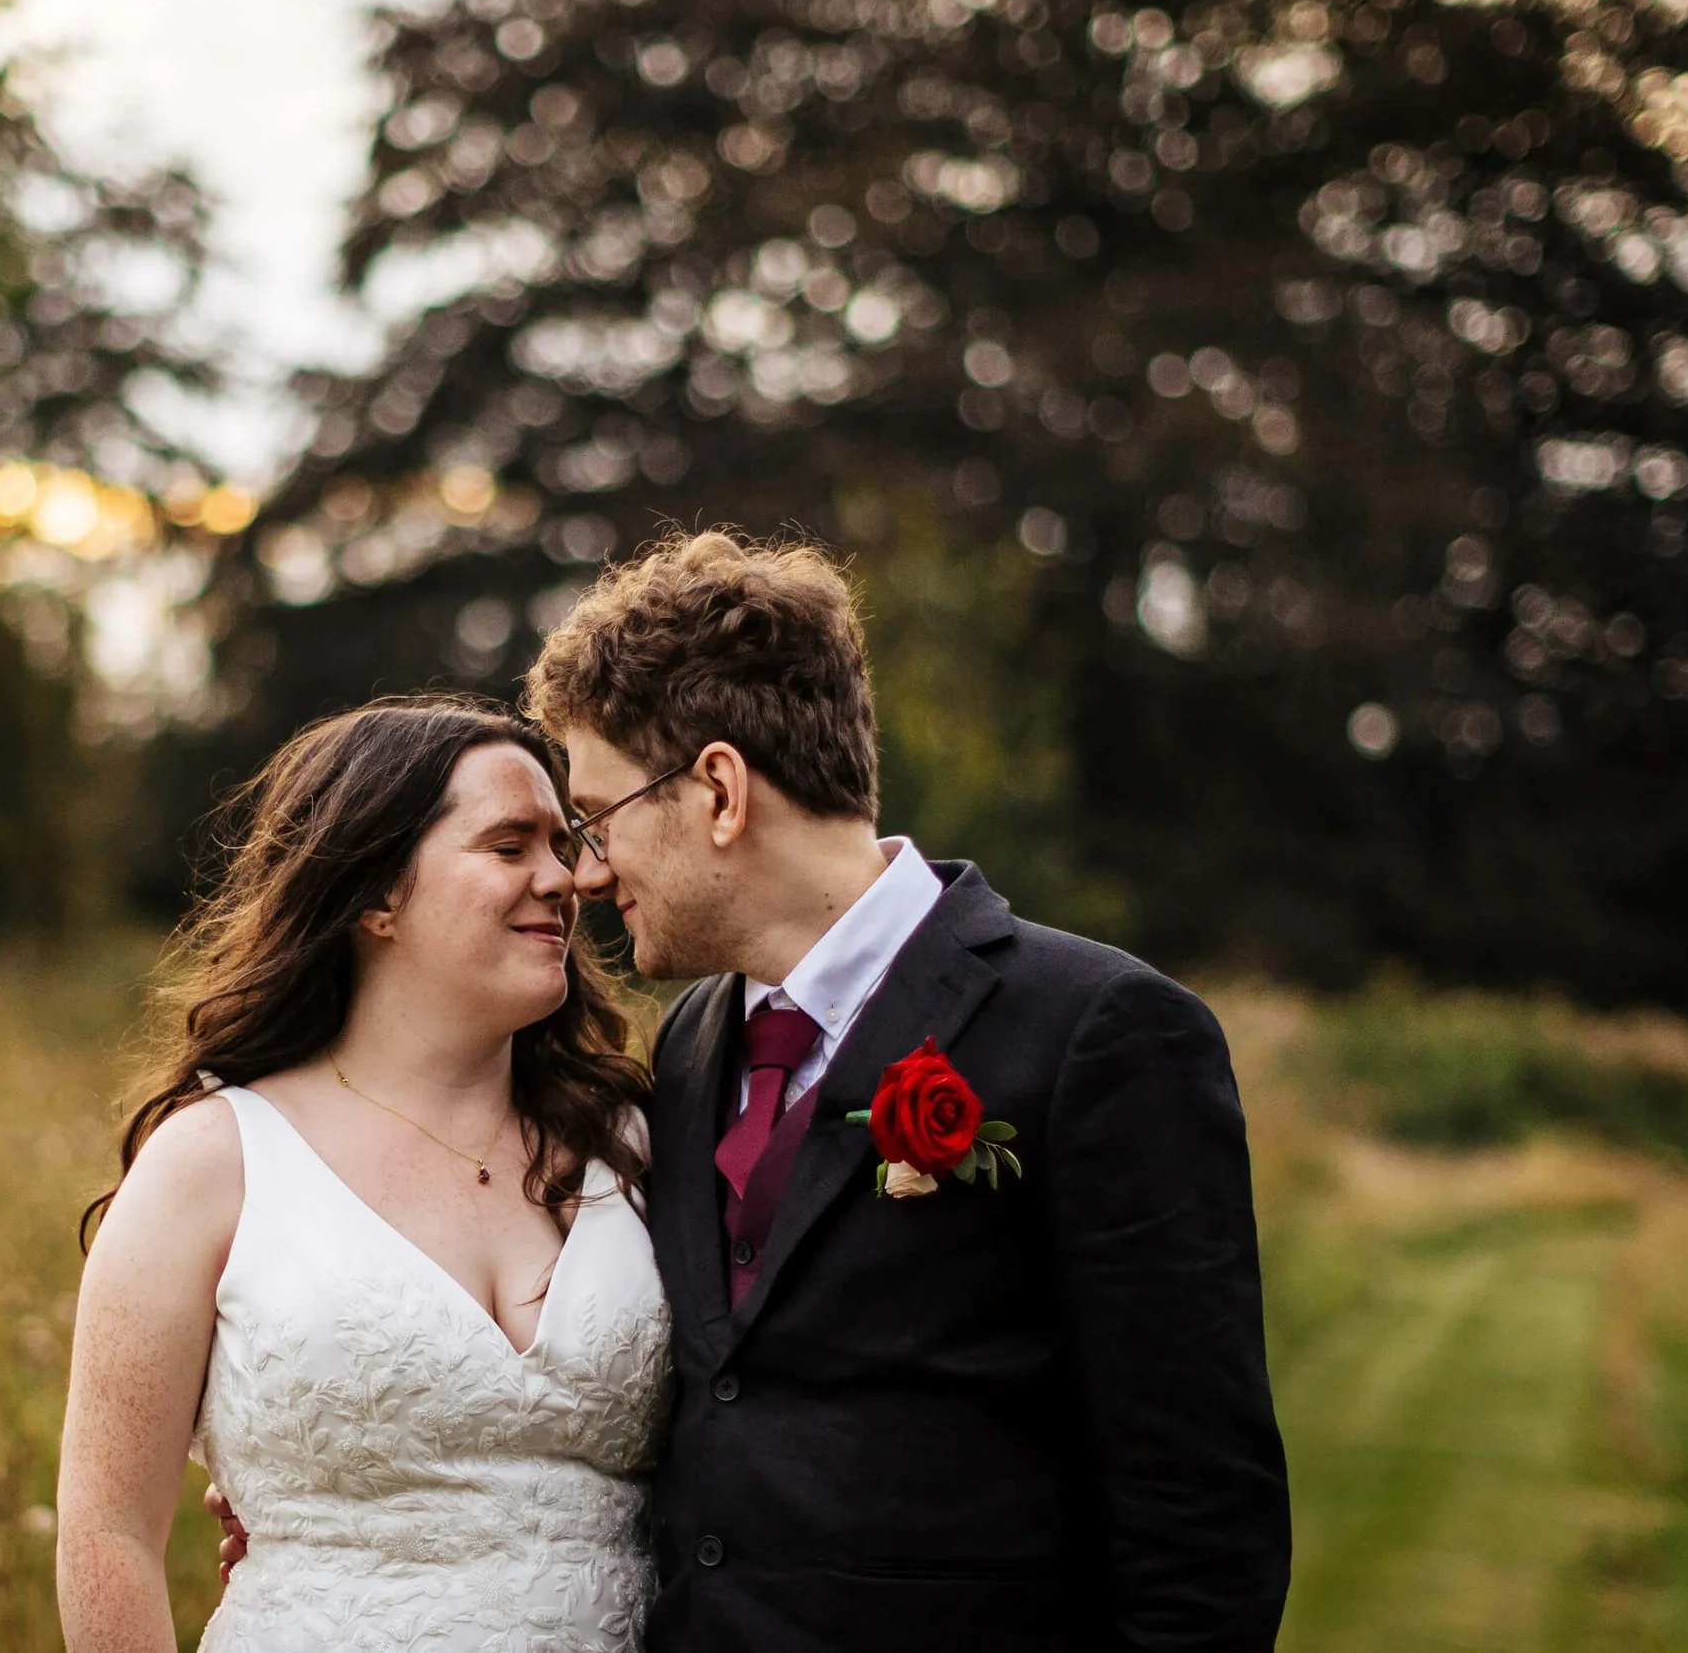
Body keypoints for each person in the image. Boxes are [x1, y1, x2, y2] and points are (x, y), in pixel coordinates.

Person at [219, 530, 1292, 1651]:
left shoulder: (1098, 1031)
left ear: (719, 790)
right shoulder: (685, 1050)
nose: (582, 871)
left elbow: (1201, 1523)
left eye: (595, 817)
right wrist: (352, 1492)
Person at [54, 700, 671, 1653]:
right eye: (510, 846)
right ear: (379, 894)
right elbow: (109, 1534)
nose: (565, 877)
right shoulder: (216, 1161)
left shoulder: (638, 1143)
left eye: (563, 840)